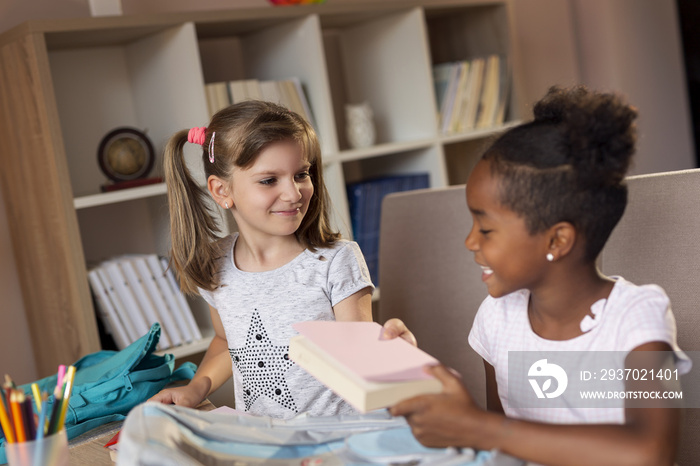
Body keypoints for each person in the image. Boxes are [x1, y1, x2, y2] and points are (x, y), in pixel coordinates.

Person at [390, 86, 692, 465]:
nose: (469, 241)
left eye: (485, 229)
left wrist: (475, 426)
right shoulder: (497, 317)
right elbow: (499, 452)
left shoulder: (637, 317)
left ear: (557, 239)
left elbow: (651, 452)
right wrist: (411, 373)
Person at [150, 100, 413, 418]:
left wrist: (395, 356)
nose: (293, 193)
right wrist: (196, 388)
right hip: (266, 443)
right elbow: (225, 340)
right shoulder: (217, 262)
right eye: (268, 180)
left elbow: (361, 361)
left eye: (301, 174)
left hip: (338, 442)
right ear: (221, 191)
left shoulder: (335, 262)